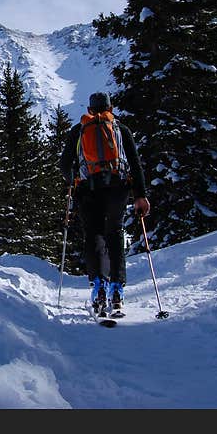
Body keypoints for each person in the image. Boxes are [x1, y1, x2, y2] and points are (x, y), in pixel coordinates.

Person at [59, 92, 150, 315]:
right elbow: (135, 164)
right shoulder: (120, 129)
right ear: (110, 107)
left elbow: (64, 164)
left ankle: (98, 285)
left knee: (94, 235)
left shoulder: (79, 130)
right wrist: (140, 195)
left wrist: (73, 182)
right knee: (115, 232)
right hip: (117, 188)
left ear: (90, 109)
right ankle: (117, 288)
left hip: (88, 189)